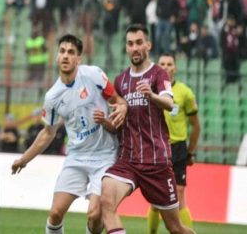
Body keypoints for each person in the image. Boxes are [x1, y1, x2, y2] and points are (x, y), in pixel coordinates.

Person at [11, 34, 127, 234]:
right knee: (55, 213)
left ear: (79, 59)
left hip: (105, 156)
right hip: (76, 157)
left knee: (95, 215)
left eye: (71, 52)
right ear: (57, 57)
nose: (66, 56)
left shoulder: (94, 75)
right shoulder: (52, 96)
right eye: (62, 51)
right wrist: (24, 159)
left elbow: (117, 100)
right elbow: (48, 133)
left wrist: (122, 107)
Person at [100, 24, 195, 234]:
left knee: (175, 227)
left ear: (148, 45)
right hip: (128, 161)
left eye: (139, 43)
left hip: (156, 163)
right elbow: (117, 123)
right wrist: (108, 122)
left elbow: (169, 103)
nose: (134, 48)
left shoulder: (159, 74)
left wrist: (151, 96)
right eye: (130, 44)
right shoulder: (120, 81)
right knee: (106, 200)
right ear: (126, 47)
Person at [147, 53, 201, 233]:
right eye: (162, 64)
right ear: (157, 67)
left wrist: (190, 152)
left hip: (177, 148)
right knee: (155, 200)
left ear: (175, 68)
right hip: (156, 147)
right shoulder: (150, 91)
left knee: (179, 194)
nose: (166, 67)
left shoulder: (185, 93)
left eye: (169, 64)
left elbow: (196, 126)